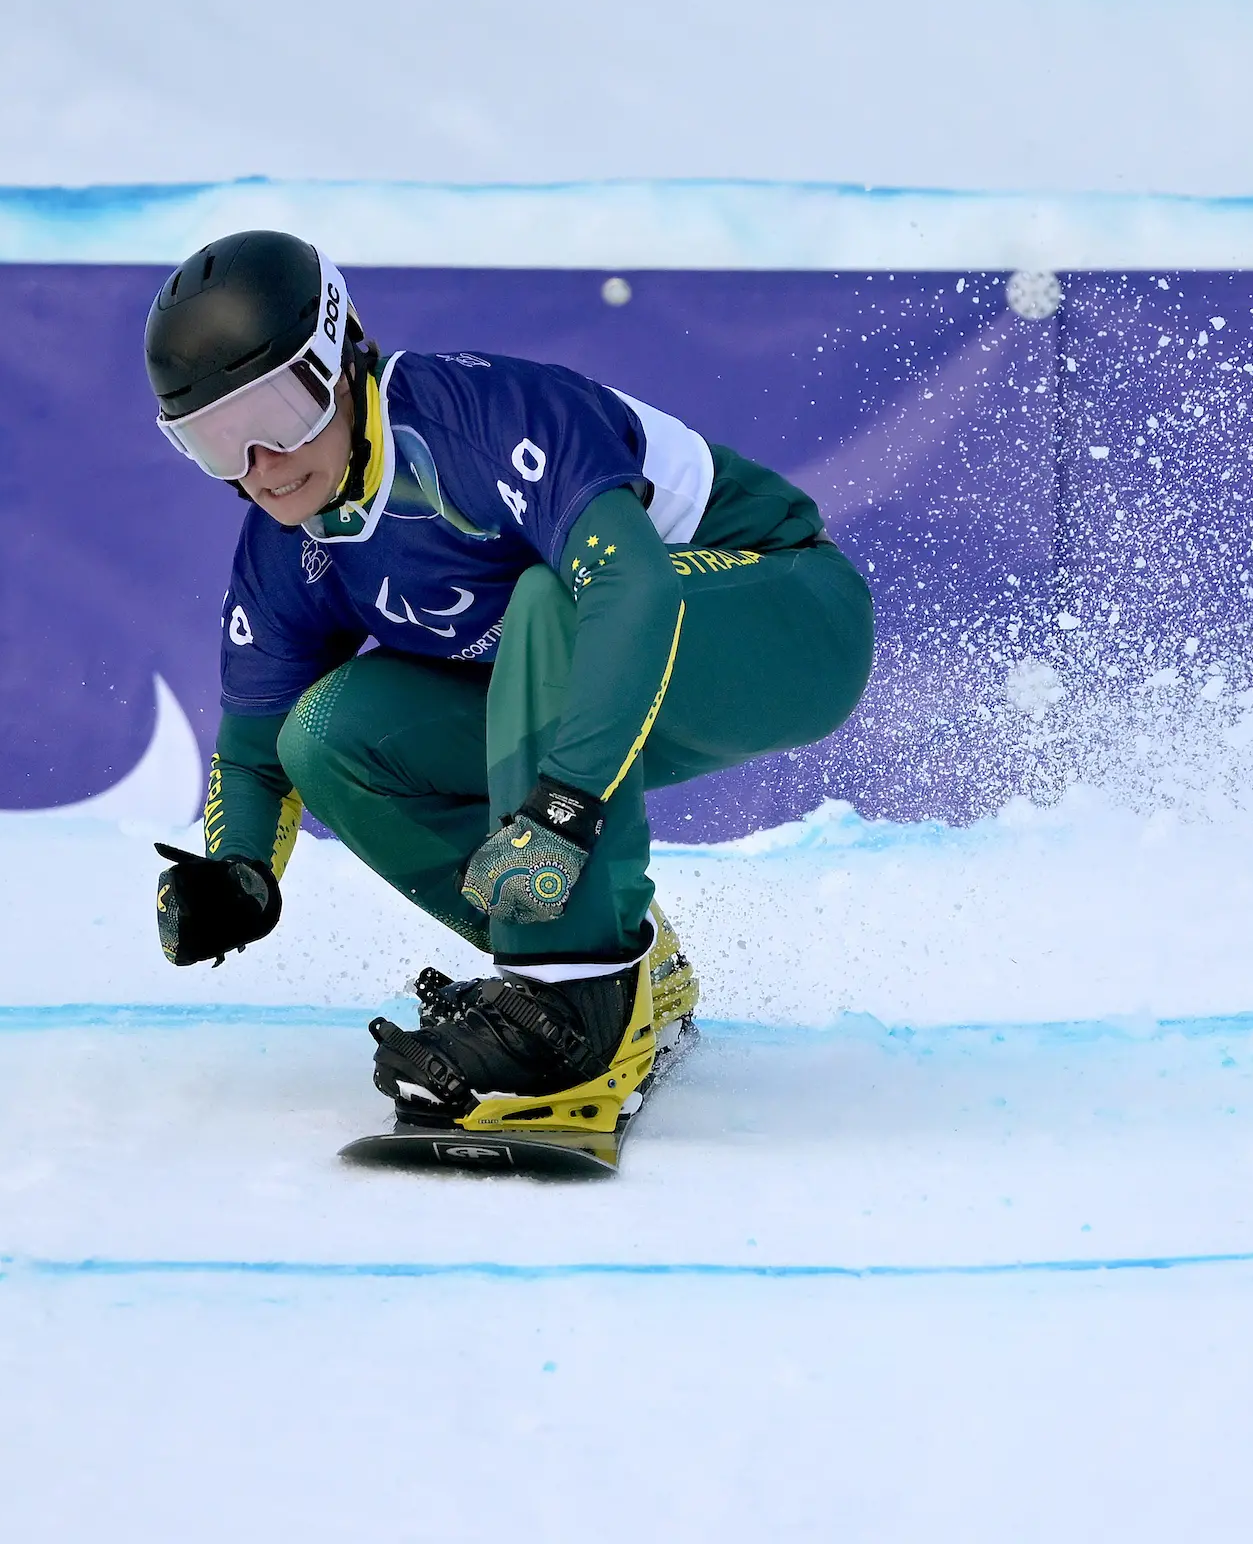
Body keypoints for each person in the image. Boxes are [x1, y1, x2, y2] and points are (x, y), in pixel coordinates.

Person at [147, 230, 873, 1123]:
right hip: (603, 680)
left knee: (554, 598)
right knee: (327, 735)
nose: (258, 467)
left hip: (792, 619)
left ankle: (571, 1006)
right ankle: (619, 970)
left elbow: (629, 586)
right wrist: (240, 876)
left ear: (345, 357)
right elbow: (260, 754)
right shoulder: (287, 547)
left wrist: (563, 806)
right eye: (214, 442)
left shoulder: (479, 420)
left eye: (279, 414)